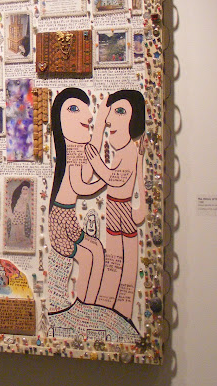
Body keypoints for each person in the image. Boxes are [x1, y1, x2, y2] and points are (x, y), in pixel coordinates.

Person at [86, 89, 147, 320]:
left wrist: (95, 160)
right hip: (115, 208)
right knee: (116, 261)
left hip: (121, 208)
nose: (110, 120)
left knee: (120, 263)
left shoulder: (130, 150)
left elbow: (115, 178)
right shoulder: (125, 151)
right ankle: (110, 309)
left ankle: (118, 311)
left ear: (134, 120)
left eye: (120, 112)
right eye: (111, 113)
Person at [47, 88, 106, 312]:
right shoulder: (69, 152)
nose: (88, 116)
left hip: (68, 216)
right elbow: (81, 186)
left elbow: (88, 168)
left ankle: (88, 303)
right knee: (87, 256)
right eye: (74, 109)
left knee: (96, 249)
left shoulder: (77, 150)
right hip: (59, 220)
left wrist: (100, 125)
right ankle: (81, 306)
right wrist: (106, 180)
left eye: (86, 111)